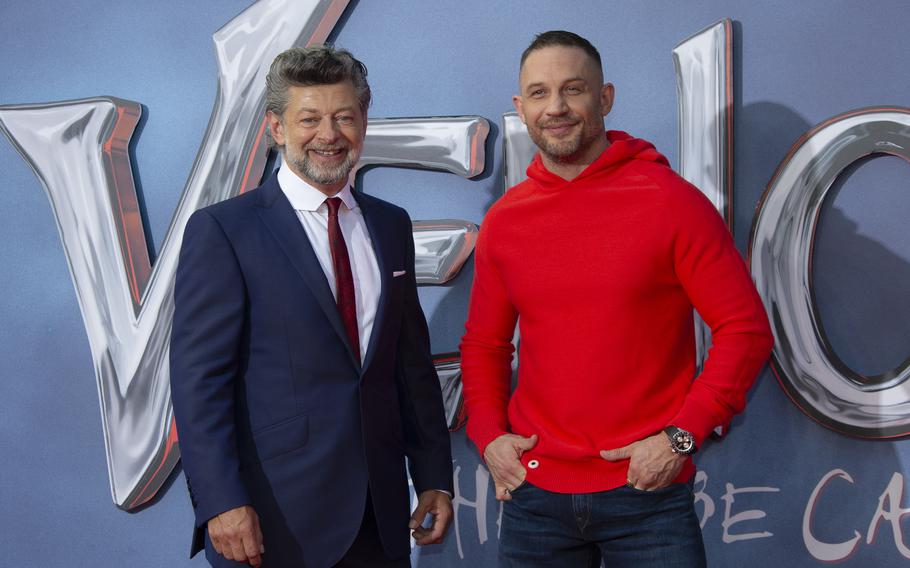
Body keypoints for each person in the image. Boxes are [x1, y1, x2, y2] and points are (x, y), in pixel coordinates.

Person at [460, 30, 774, 567]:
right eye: (539, 93)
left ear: (605, 98)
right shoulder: (506, 220)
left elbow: (744, 331)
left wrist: (679, 439)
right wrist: (489, 436)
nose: (555, 108)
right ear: (520, 107)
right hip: (535, 501)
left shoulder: (671, 203)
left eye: (573, 89)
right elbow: (485, 344)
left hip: (648, 499)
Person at [170, 45, 453, 568]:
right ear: (277, 128)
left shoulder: (390, 225)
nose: (329, 134)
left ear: (363, 122)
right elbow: (197, 383)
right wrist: (222, 502)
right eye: (310, 119)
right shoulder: (225, 231)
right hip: (273, 520)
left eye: (344, 117)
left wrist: (434, 474)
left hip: (381, 516)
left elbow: (409, 365)